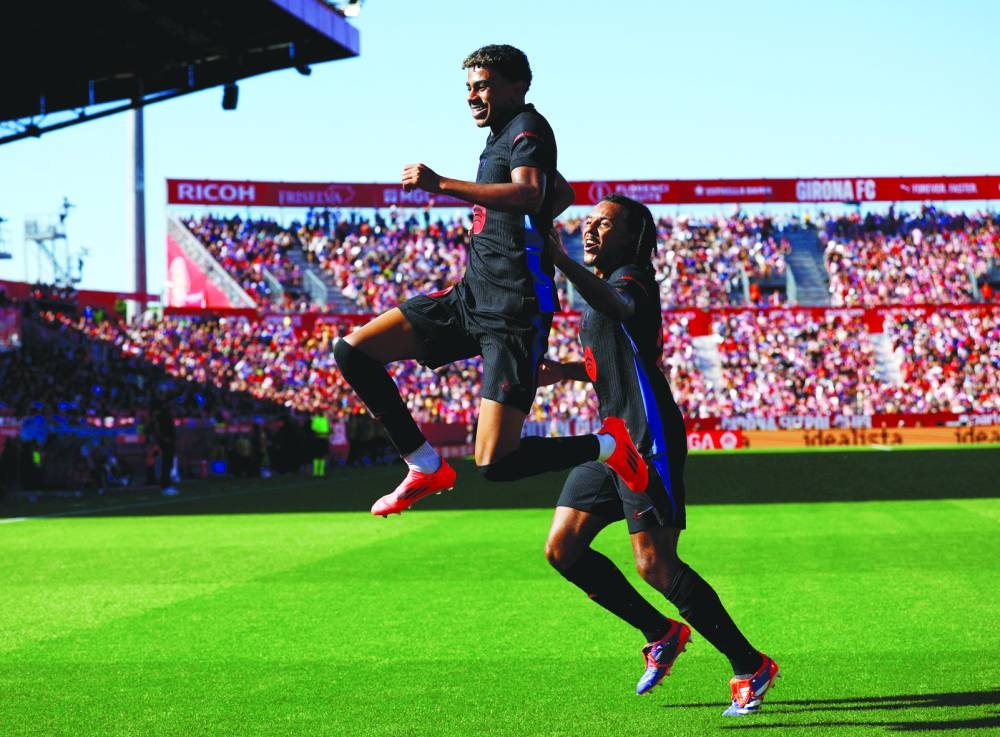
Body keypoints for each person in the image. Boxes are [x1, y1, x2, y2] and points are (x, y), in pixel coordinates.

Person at [333, 45, 643, 516]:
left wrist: (442, 185)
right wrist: (536, 223)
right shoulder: (502, 135)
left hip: (514, 310)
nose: (473, 96)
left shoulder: (527, 127)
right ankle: (423, 464)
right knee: (352, 350)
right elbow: (559, 193)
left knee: (495, 462)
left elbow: (531, 191)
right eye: (469, 88)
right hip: (470, 297)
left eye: (484, 86)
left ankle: (608, 446)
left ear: (517, 86)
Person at [540, 194, 779, 716]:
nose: (591, 231)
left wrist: (560, 261)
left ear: (633, 238)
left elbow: (620, 309)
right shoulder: (606, 286)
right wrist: (567, 371)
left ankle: (749, 665)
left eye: (605, 224)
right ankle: (660, 632)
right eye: (588, 223)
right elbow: (623, 356)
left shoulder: (633, 280)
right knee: (562, 550)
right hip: (612, 440)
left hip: (648, 439)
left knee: (655, 565)